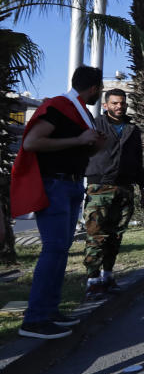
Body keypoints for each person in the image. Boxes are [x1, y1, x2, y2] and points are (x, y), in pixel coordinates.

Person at [12, 65, 106, 339]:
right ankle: (35, 319)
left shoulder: (79, 112)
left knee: (60, 250)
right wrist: (79, 138)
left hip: (71, 183)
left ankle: (48, 312)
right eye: (99, 90)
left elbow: (78, 147)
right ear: (94, 88)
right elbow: (31, 143)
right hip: (54, 184)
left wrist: (93, 144)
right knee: (54, 250)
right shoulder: (59, 106)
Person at [82, 88, 144, 299]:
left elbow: (138, 161)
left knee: (116, 235)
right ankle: (92, 281)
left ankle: (108, 277)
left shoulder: (133, 130)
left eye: (122, 103)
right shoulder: (94, 125)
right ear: (105, 105)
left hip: (125, 188)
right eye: (114, 103)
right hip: (99, 187)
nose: (119, 106)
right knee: (96, 235)